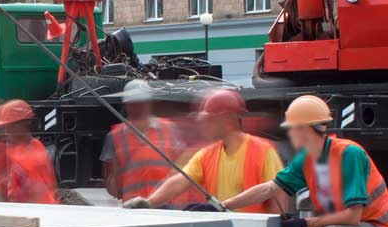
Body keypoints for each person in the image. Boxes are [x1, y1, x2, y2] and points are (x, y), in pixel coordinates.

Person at [216, 95, 388, 227]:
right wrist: (221, 206)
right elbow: (270, 188)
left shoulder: (348, 154)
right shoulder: (307, 159)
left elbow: (353, 216)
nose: (290, 135)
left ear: (305, 130)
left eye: (292, 129)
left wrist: (305, 224)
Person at [122, 89, 287, 213]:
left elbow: (278, 194)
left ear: (226, 119)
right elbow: (180, 181)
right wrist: (150, 202)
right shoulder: (207, 154)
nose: (203, 125)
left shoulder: (262, 151)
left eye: (208, 120)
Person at [101, 80, 187, 204]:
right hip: (134, 207)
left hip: (167, 204)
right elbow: (112, 187)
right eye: (134, 104)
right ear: (126, 105)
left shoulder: (170, 129)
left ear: (149, 103)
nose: (137, 108)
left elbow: (184, 170)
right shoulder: (115, 136)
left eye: (141, 103)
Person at [0, 100, 59, 204]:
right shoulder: (18, 148)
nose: (6, 130)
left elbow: (36, 194)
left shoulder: (34, 155)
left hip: (39, 212)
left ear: (23, 125)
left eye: (9, 126)